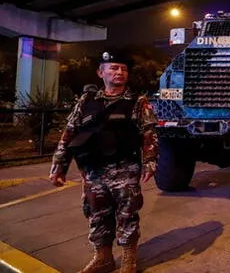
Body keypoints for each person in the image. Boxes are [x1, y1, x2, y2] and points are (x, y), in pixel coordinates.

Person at [48, 51, 159, 273]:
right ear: (101, 72)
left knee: (127, 213)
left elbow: (149, 133)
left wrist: (150, 161)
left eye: (124, 69)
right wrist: (59, 166)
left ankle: (128, 260)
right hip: (93, 170)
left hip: (125, 168)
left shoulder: (138, 101)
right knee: (96, 213)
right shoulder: (87, 100)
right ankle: (104, 258)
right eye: (114, 68)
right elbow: (69, 132)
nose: (119, 72)